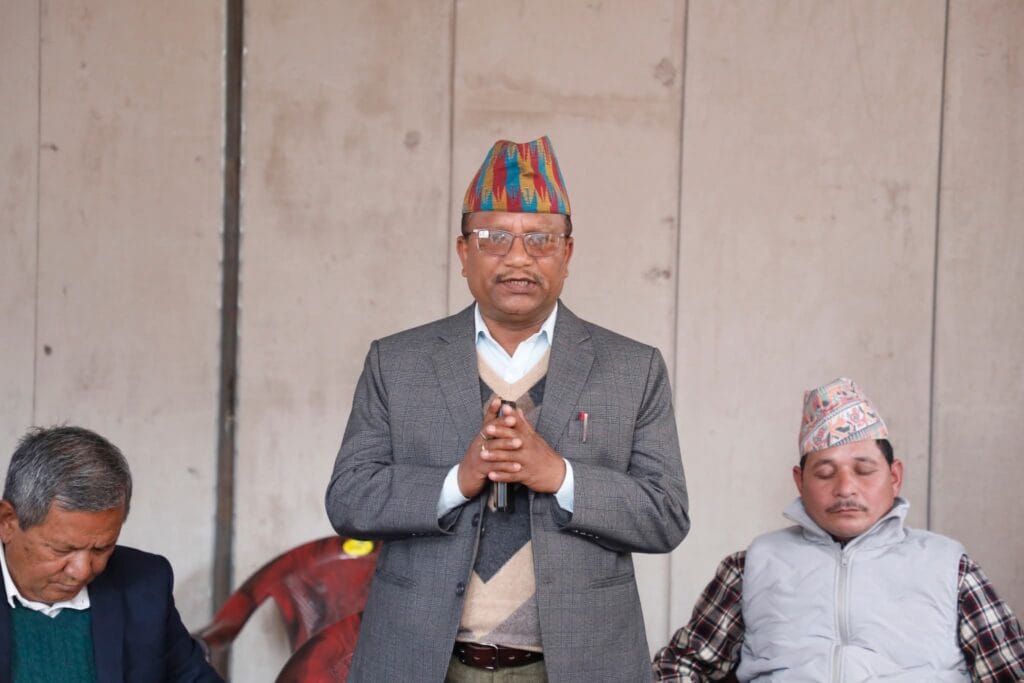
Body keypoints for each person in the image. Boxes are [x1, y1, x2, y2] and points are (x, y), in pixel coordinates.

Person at [326, 136, 689, 682]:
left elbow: (666, 515)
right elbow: (349, 499)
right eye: (494, 237)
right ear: (462, 252)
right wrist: (458, 480)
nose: (518, 257)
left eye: (540, 239)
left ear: (567, 254)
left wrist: (559, 475)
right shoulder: (397, 362)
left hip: (577, 666)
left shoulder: (631, 369)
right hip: (423, 663)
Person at [653, 377, 1024, 682]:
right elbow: (677, 666)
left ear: (895, 477)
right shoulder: (750, 567)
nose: (846, 488)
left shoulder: (949, 565)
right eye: (825, 473)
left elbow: (1011, 672)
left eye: (864, 470)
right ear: (800, 482)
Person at [0, 425, 223, 683]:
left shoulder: (143, 584)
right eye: (63, 549)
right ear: (7, 522)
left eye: (102, 548)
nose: (82, 570)